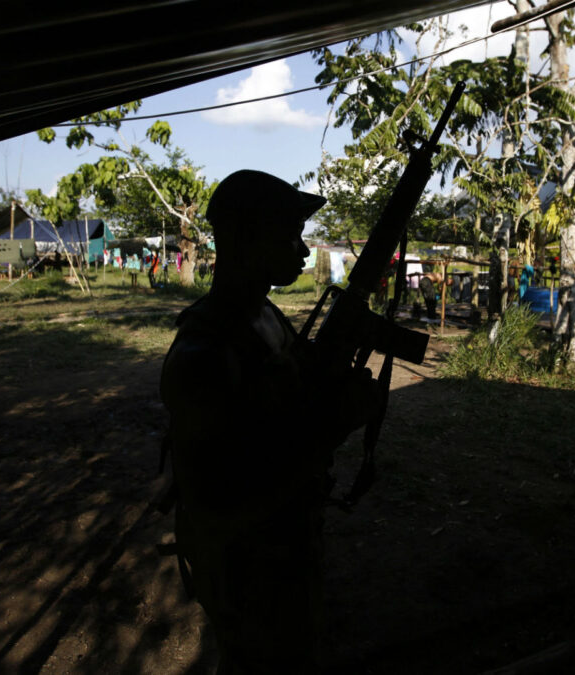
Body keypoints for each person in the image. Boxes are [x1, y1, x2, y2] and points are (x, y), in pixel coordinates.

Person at [160, 169, 376, 674]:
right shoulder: (203, 352)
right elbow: (216, 505)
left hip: (286, 547)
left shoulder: (265, 315)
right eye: (287, 233)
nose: (302, 250)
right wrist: (332, 427)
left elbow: (285, 412)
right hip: (246, 569)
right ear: (243, 239)